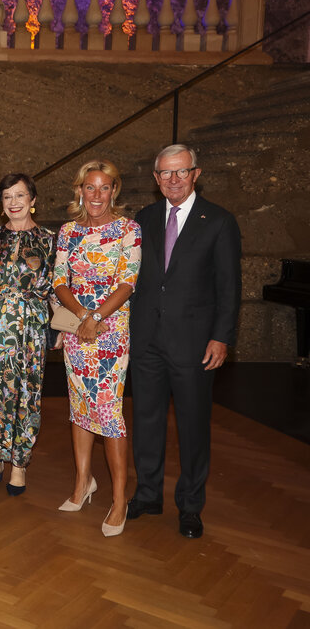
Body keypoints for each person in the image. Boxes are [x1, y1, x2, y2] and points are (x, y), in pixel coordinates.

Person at [127, 144, 241, 539]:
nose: (173, 180)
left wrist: (221, 338)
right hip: (146, 341)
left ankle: (190, 506)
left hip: (194, 345)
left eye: (181, 172)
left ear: (196, 174)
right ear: (156, 180)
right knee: (146, 421)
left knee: (193, 427)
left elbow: (229, 288)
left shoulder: (219, 222)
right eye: (166, 174)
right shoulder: (142, 218)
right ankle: (147, 494)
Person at [53, 159, 141, 537]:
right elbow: (58, 280)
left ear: (114, 191)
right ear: (80, 190)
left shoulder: (128, 230)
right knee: (80, 406)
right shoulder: (68, 231)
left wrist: (97, 317)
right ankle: (83, 482)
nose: (97, 195)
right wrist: (82, 314)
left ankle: (120, 499)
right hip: (76, 329)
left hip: (111, 331)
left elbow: (127, 282)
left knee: (108, 411)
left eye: (105, 187)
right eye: (90, 187)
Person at [0, 173, 55, 496]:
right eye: (7, 197)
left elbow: (58, 290)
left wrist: (56, 328)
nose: (14, 202)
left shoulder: (48, 239)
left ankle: (19, 465)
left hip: (32, 327)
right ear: (1, 205)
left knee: (27, 394)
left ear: (33, 200)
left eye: (20, 195)